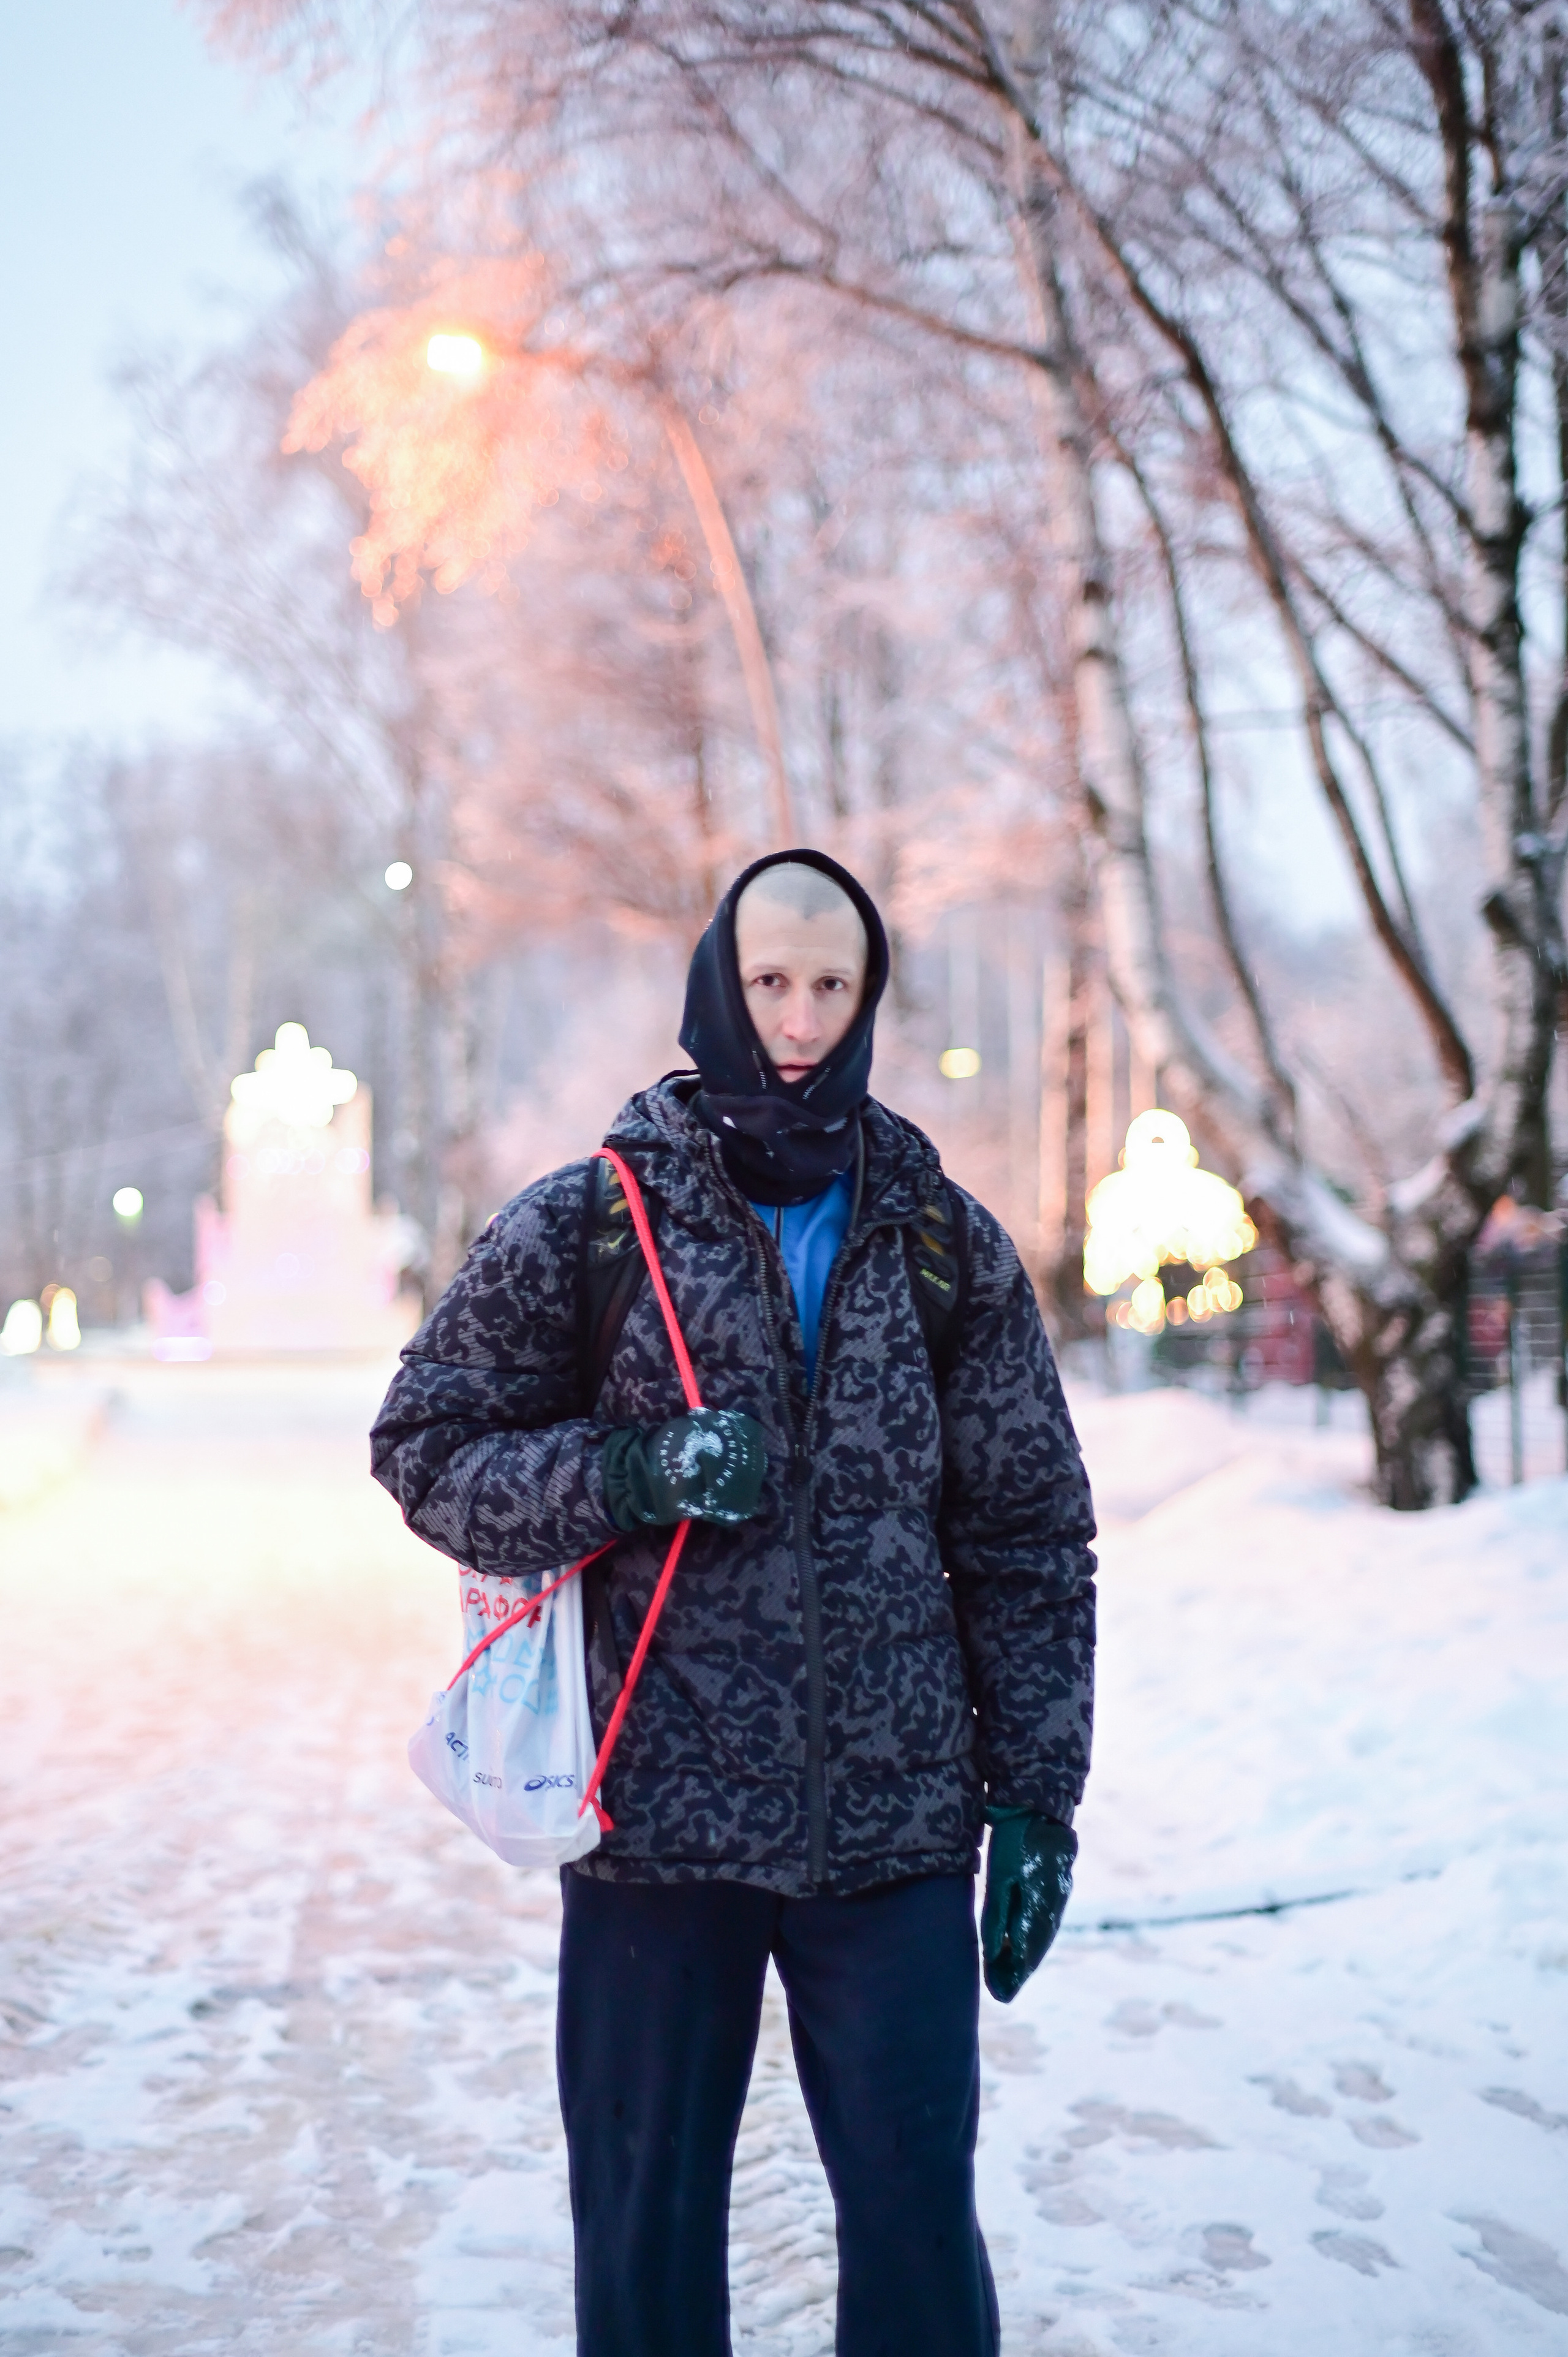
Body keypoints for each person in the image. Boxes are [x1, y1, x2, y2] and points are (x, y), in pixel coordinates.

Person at [371, 849, 1097, 2357]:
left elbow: (1026, 1534)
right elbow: (425, 1446)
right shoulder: (593, 1220)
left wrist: (1035, 1794)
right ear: (717, 984)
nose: (800, 1019)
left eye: (833, 984)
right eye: (770, 981)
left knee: (916, 2229)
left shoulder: (940, 1240)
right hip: (656, 1821)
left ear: (870, 996)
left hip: (893, 1827)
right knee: (642, 2233)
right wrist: (630, 1471)